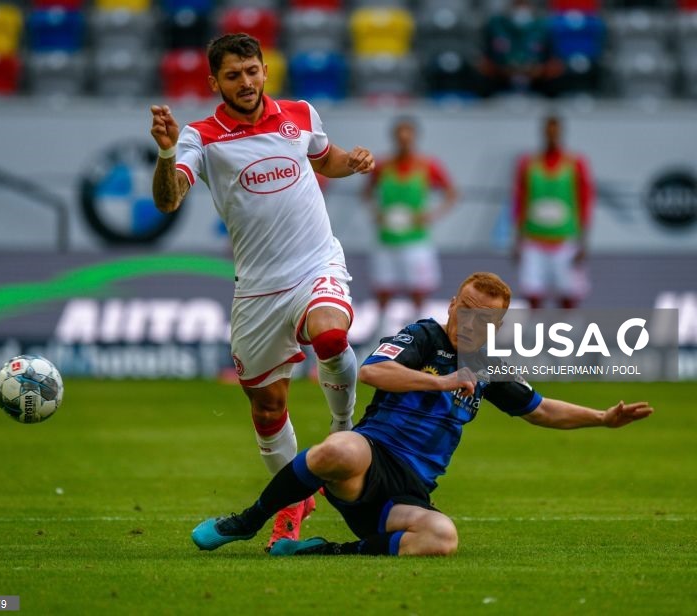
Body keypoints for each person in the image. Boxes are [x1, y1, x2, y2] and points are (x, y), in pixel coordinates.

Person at [191, 272, 653, 557]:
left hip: (406, 494)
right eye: (463, 307)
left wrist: (602, 417)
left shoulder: (491, 365)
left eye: (481, 317)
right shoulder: (424, 337)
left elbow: (541, 409)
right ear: (452, 304)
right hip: (371, 457)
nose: (466, 319)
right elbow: (374, 373)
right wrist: (442, 381)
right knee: (340, 448)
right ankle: (247, 522)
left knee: (441, 538)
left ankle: (326, 551)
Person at [150, 33, 375, 548]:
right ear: (215, 82)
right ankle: (294, 508)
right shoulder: (200, 136)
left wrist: (354, 161)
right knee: (268, 409)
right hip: (258, 291)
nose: (246, 82)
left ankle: (343, 427)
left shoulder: (299, 113)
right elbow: (168, 200)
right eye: (233, 75)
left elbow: (327, 159)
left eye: (252, 71)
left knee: (330, 338)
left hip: (317, 263)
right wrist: (166, 153)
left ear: (264, 70)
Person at [363, 116, 457, 333]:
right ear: (395, 138)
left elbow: (451, 193)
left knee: (419, 289)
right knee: (383, 288)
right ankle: (380, 330)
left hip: (416, 240)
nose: (404, 141)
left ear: (414, 138)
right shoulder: (383, 166)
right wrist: (375, 213)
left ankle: (419, 329)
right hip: (387, 239)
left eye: (408, 136)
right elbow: (366, 192)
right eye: (400, 136)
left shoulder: (427, 166)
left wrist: (431, 215)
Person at [513, 114, 594, 309]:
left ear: (561, 133)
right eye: (548, 132)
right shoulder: (528, 164)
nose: (551, 136)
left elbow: (585, 202)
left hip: (565, 241)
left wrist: (583, 241)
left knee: (568, 297)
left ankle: (566, 338)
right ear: (543, 133)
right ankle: (535, 338)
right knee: (532, 297)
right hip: (534, 241)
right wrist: (518, 239)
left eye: (555, 132)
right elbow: (520, 201)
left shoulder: (575, 164)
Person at [479, 0, 563, 97]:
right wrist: (502, 70)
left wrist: (539, 71)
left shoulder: (543, 26)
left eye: (523, 3)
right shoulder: (496, 25)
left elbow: (554, 65)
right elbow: (484, 63)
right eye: (517, 2)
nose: (521, 8)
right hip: (500, 86)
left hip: (538, 86)